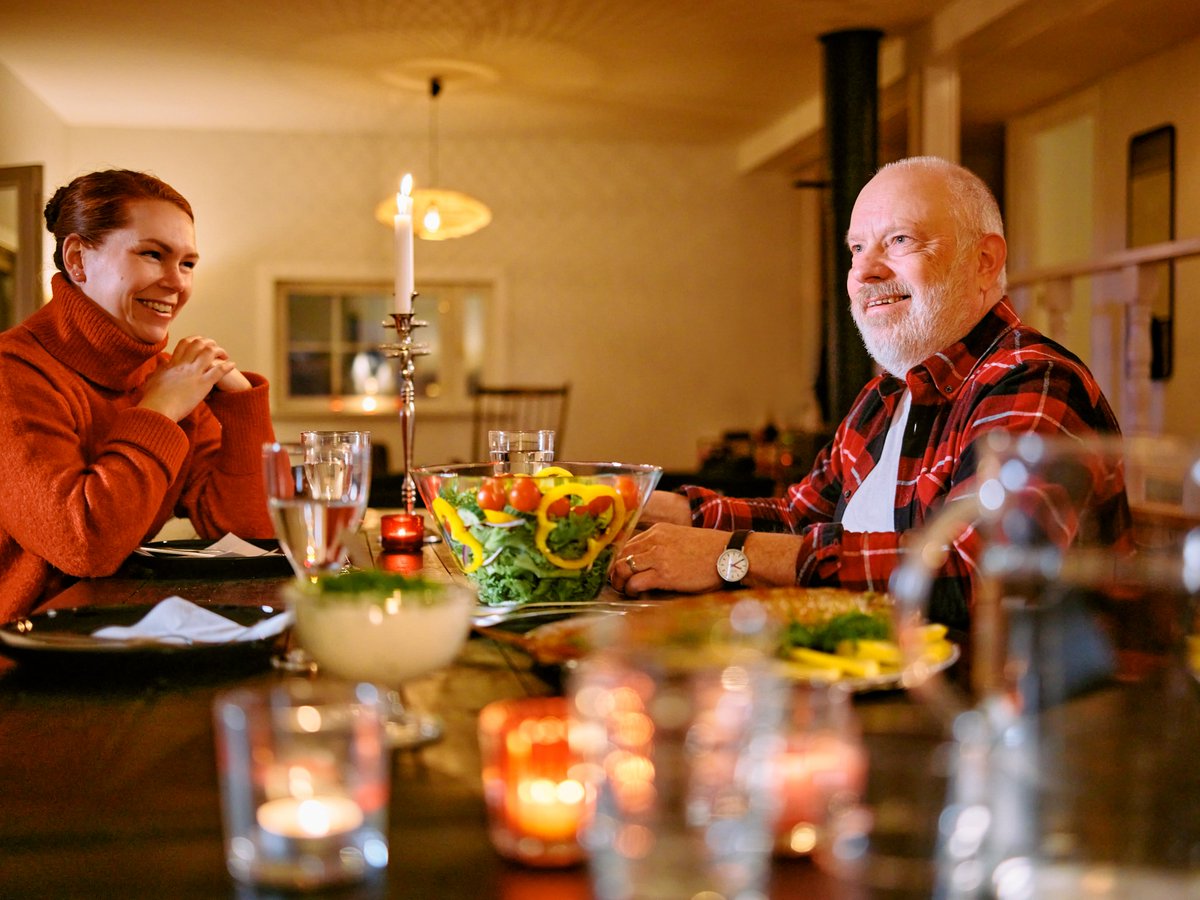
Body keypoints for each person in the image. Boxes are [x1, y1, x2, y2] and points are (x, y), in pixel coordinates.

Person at [611, 156, 1126, 630]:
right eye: (858, 248)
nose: (865, 271)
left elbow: (979, 572)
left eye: (899, 240)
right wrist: (634, 507)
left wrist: (729, 554)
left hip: (1010, 714)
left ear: (985, 260)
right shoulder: (886, 395)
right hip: (890, 688)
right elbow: (800, 518)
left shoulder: (1033, 382)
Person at [0, 169, 276, 621]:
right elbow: (84, 546)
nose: (177, 282)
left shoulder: (165, 378)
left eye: (187, 264)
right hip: (21, 663)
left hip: (118, 634)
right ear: (77, 260)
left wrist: (242, 405)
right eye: (153, 254)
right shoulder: (13, 374)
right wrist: (159, 411)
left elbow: (250, 535)